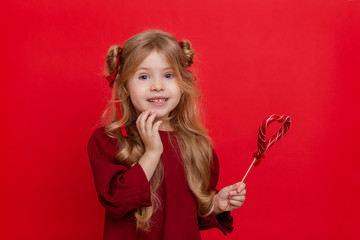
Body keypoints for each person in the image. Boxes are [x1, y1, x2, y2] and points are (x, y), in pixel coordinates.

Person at [87, 29, 246, 240]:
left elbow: (187, 217)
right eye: (144, 76)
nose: (158, 86)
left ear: (183, 84)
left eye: (168, 75)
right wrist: (152, 153)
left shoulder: (196, 145)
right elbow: (117, 202)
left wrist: (215, 205)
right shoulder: (107, 141)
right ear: (124, 86)